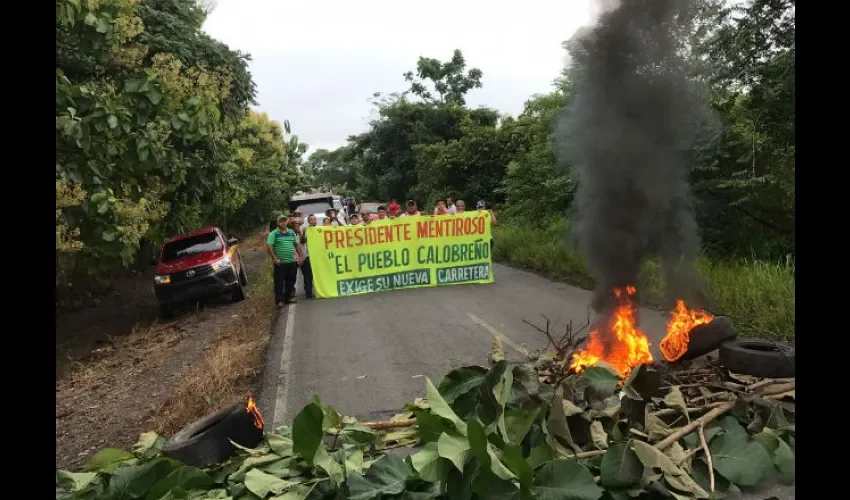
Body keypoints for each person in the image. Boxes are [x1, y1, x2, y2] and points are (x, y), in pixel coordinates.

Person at [266, 215, 303, 307]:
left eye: (284, 221)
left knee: (291, 281)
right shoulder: (274, 233)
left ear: (287, 222)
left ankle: (287, 298)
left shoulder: (291, 233)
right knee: (279, 282)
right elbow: (269, 246)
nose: (282, 223)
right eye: (281, 221)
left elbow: (297, 245)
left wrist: (301, 256)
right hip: (280, 262)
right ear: (278, 223)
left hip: (291, 261)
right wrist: (274, 258)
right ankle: (279, 300)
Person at [299, 215, 317, 299]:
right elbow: (302, 241)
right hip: (308, 255)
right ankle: (308, 292)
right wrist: (303, 233)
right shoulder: (306, 229)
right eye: (311, 220)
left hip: (318, 256)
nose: (313, 221)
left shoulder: (320, 229)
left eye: (314, 219)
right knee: (308, 275)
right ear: (309, 221)